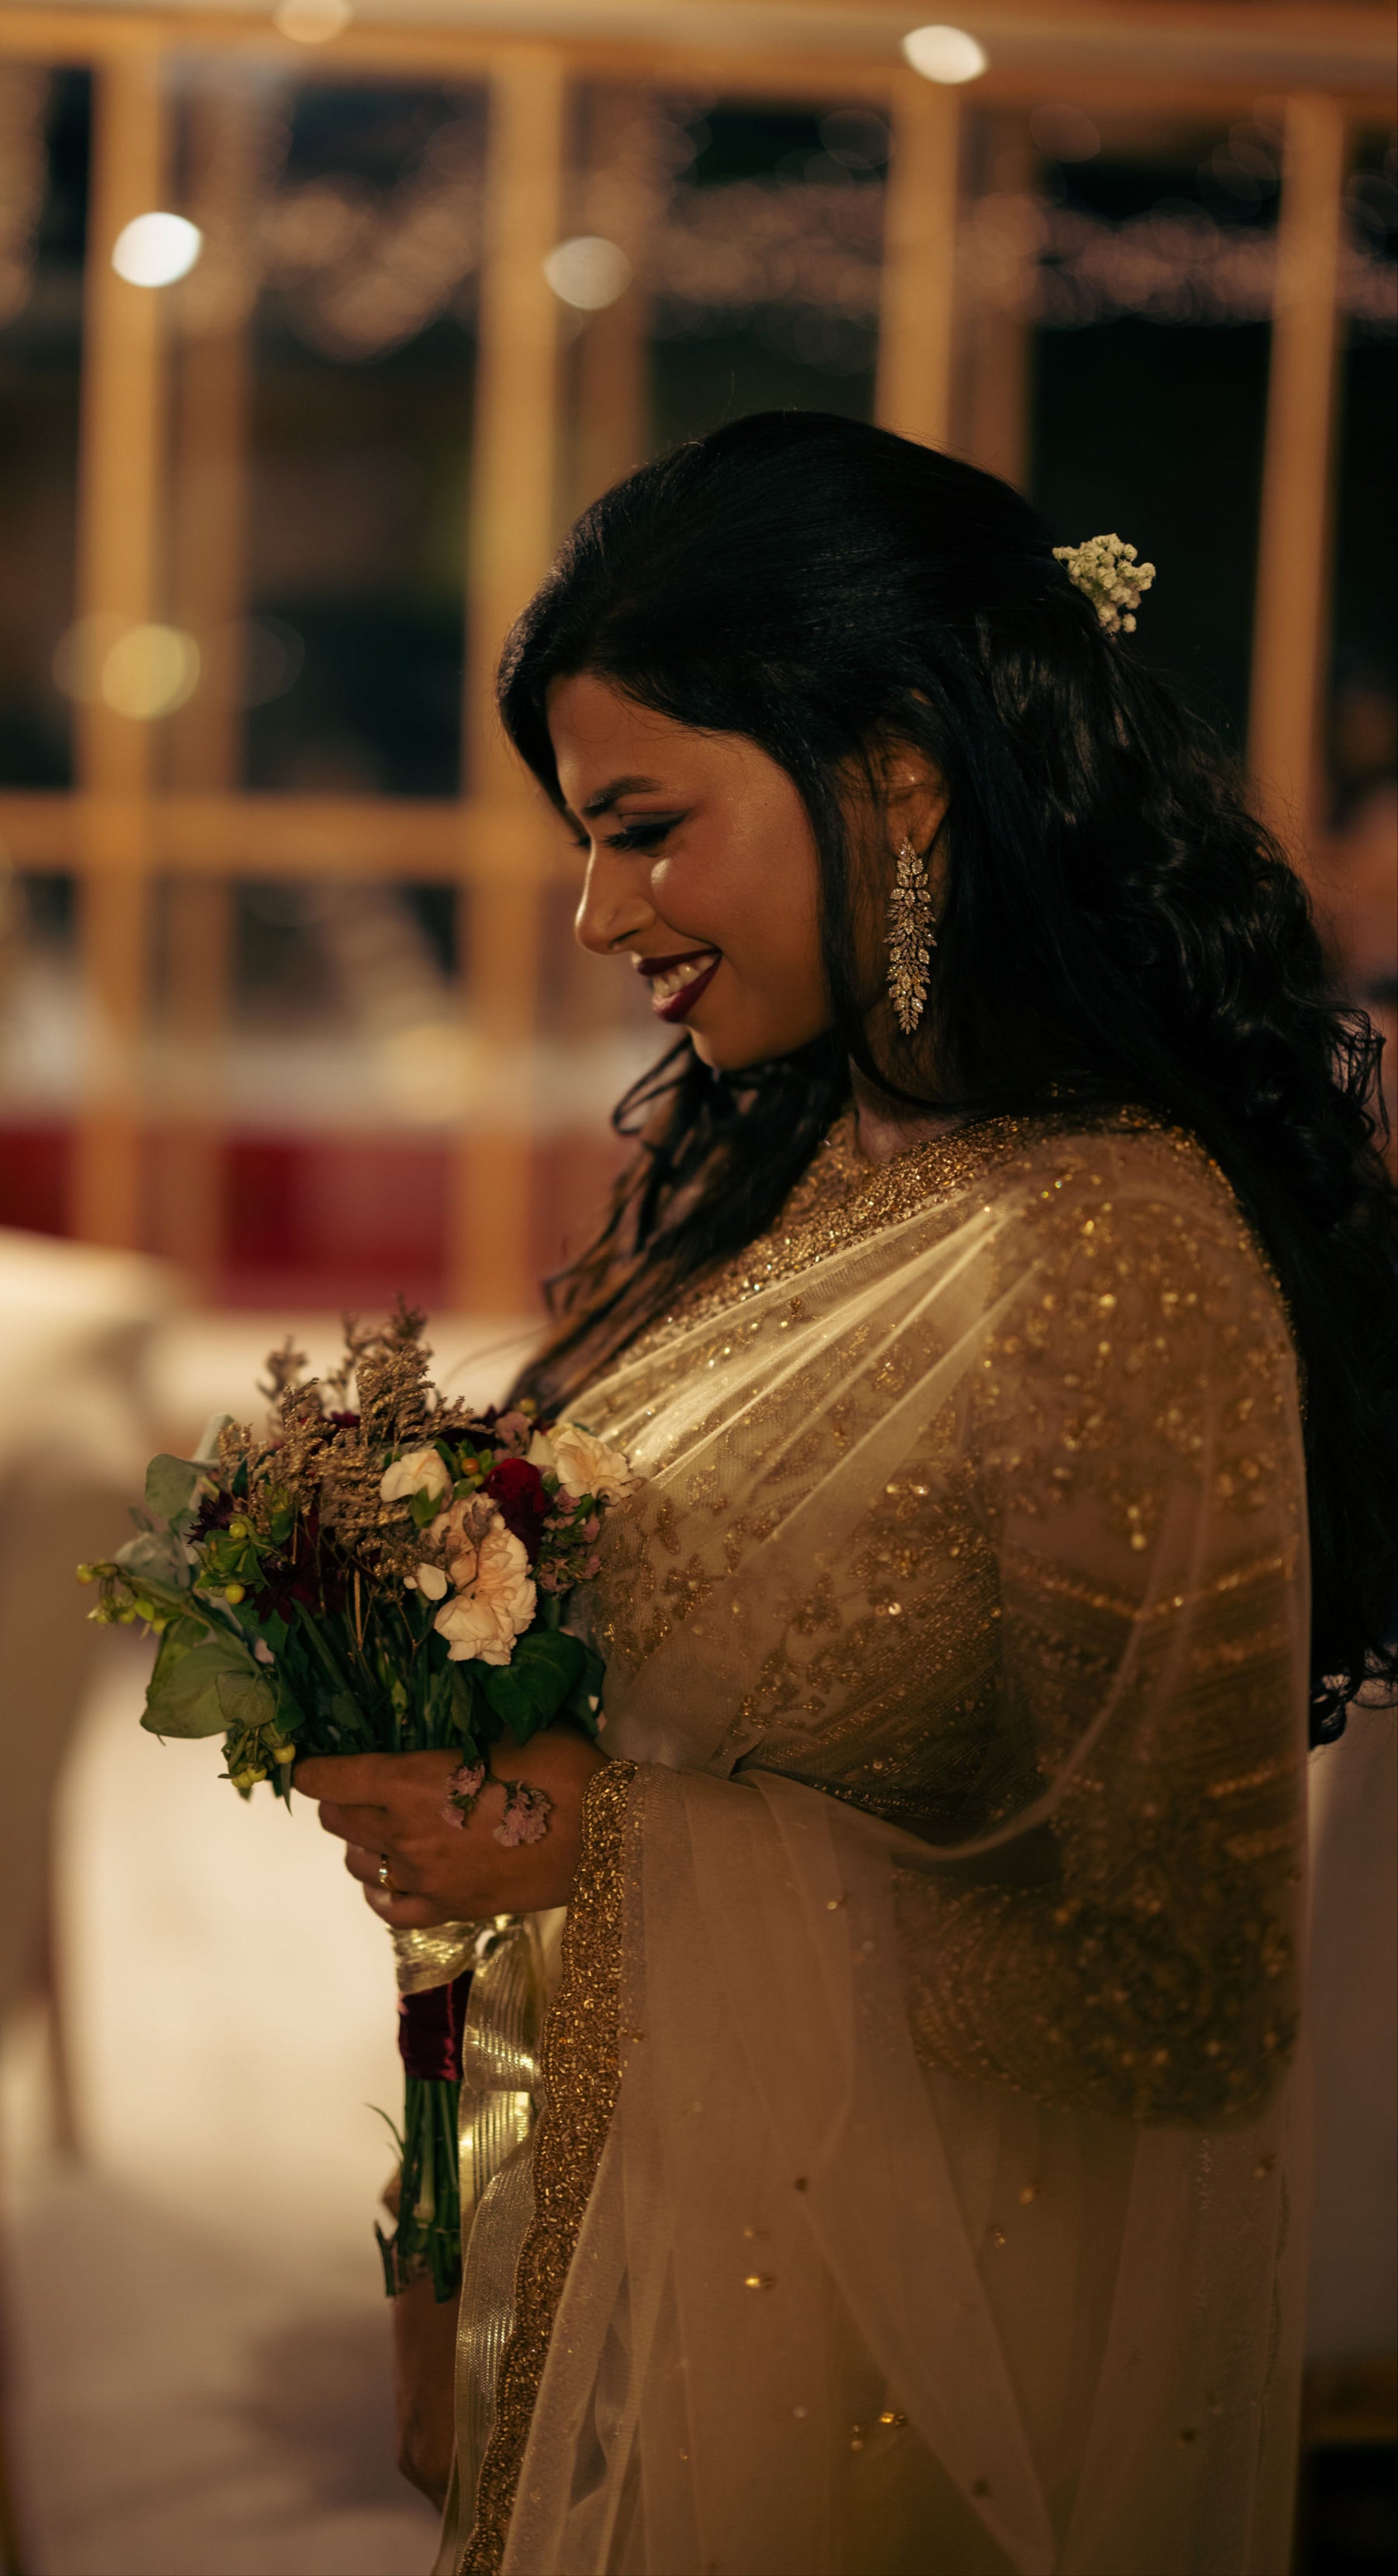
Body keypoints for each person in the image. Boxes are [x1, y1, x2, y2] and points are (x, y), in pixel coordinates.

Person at [294, 413, 1397, 2576]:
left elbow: (1163, 1987)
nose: (601, 913)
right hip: (658, 2281)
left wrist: (573, 1825)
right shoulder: (823, 1174)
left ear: (893, 776)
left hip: (886, 2389)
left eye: (641, 826)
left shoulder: (1110, 1240)